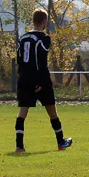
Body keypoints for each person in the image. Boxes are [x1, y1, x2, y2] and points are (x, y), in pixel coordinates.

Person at [15, 9, 72, 152]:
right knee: (52, 111)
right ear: (44, 21)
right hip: (41, 79)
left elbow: (19, 60)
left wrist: (24, 77)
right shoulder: (44, 38)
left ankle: (19, 145)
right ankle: (61, 142)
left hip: (24, 79)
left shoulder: (23, 38)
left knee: (22, 112)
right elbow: (40, 61)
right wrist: (39, 82)